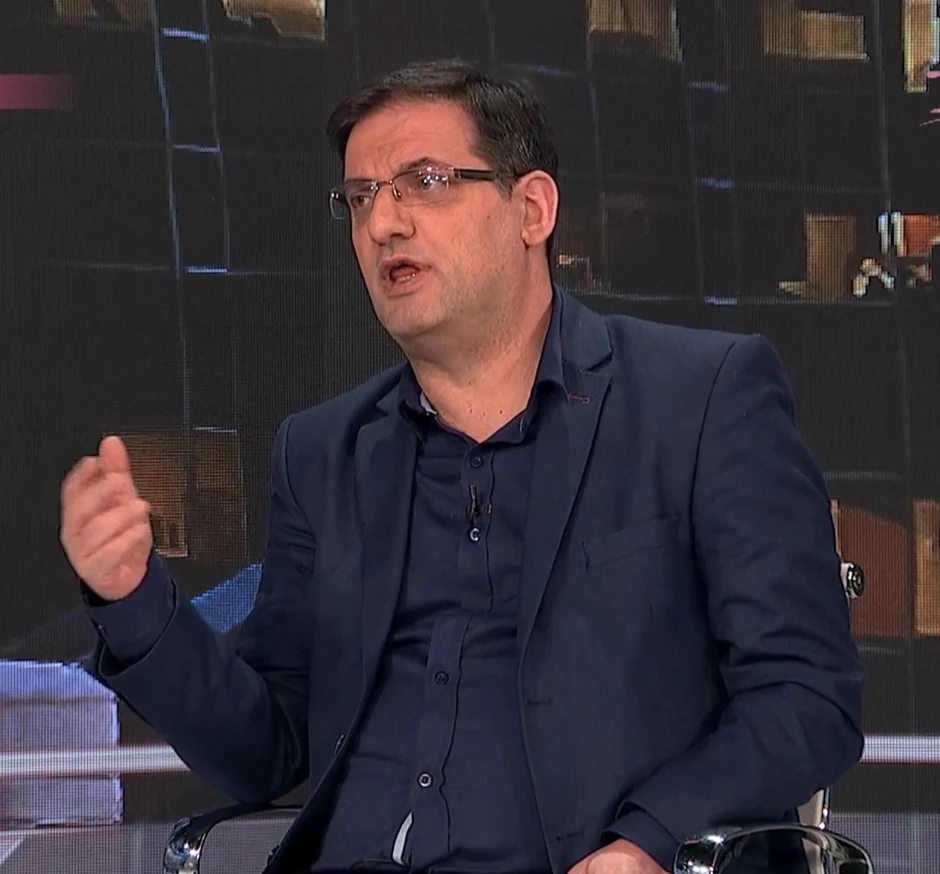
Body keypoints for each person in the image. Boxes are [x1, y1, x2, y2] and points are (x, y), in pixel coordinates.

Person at [59, 59, 864, 874]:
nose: (383, 224)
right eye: (361, 197)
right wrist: (135, 601)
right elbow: (266, 753)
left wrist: (648, 842)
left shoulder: (700, 400)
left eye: (426, 181)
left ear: (532, 209)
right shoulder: (322, 452)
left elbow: (806, 697)